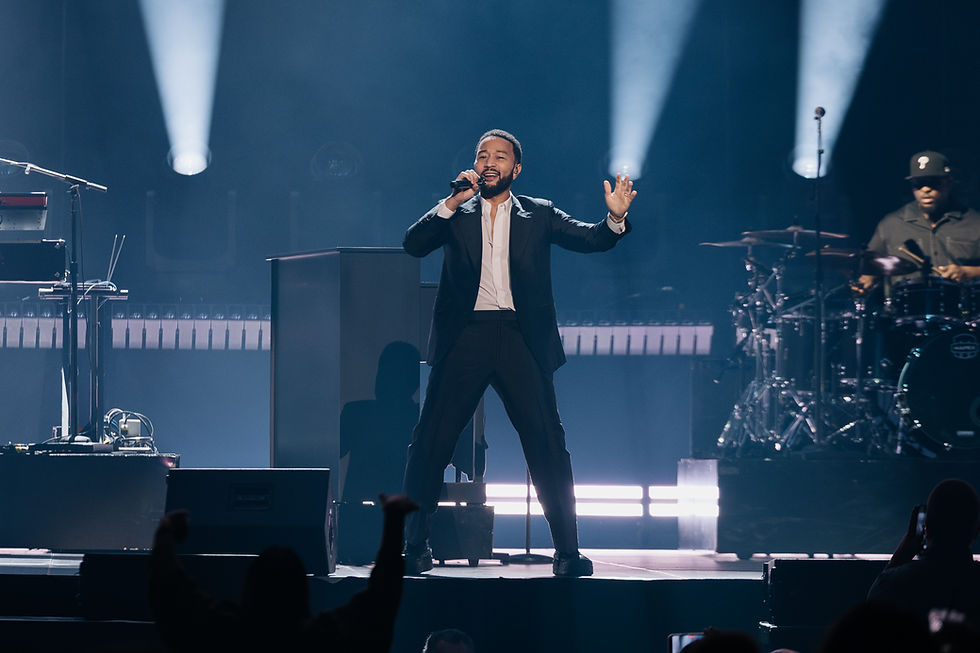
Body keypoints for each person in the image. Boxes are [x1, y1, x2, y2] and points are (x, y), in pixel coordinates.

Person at [401, 129, 635, 577]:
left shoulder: (539, 214)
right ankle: (414, 546)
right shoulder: (455, 212)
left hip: (520, 337)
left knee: (547, 444)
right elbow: (413, 244)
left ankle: (567, 552)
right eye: (482, 155)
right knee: (431, 441)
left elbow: (592, 239)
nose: (490, 162)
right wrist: (451, 201)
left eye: (500, 156)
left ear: (516, 168)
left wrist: (614, 219)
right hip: (466, 336)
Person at [148, 493, 418, 652]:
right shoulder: (324, 640)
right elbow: (380, 601)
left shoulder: (221, 635)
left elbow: (171, 593)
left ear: (250, 586)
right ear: (302, 590)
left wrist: (166, 534)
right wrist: (394, 523)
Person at [857, 150, 980, 291]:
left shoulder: (975, 223)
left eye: (933, 183)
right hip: (904, 305)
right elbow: (869, 269)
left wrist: (969, 272)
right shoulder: (891, 224)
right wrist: (863, 283)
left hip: (959, 304)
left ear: (948, 182)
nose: (925, 189)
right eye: (918, 183)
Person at [867, 479, 980, 630]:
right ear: (976, 529)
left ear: (925, 525)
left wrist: (901, 556)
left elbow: (872, 611)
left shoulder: (892, 585)